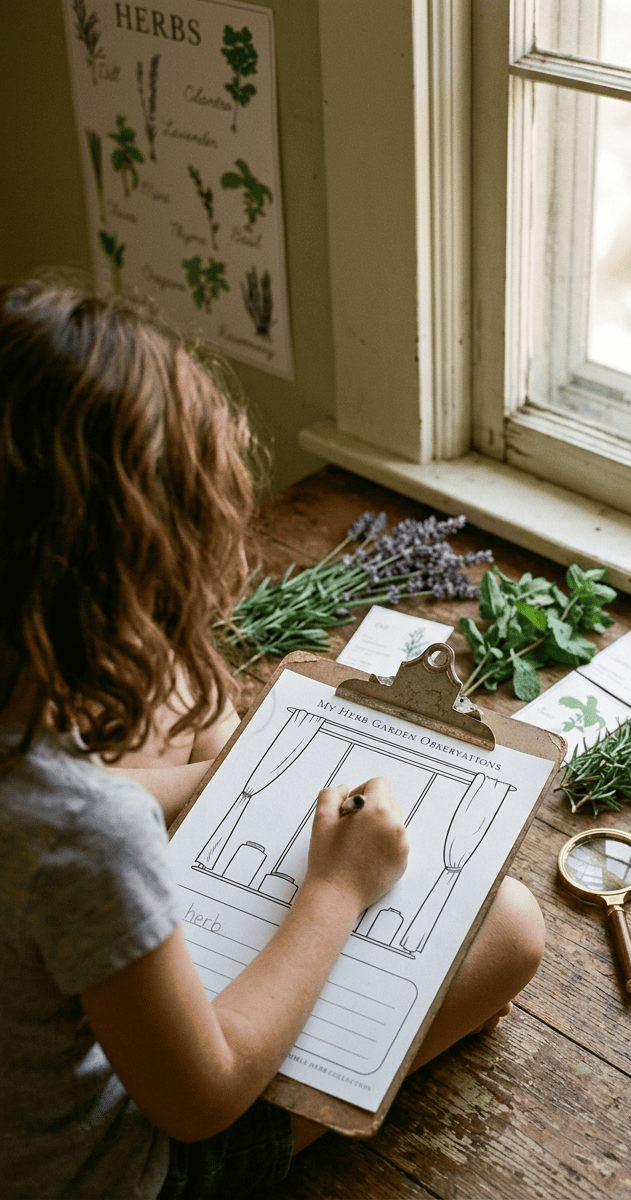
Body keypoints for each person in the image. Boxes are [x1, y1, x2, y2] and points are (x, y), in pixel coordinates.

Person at [0, 278, 545, 1199]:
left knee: (205, 729)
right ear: (125, 584)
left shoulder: (44, 790)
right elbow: (202, 1098)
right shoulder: (81, 835)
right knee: (514, 930)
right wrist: (335, 891)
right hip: (118, 1172)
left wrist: (218, 777)